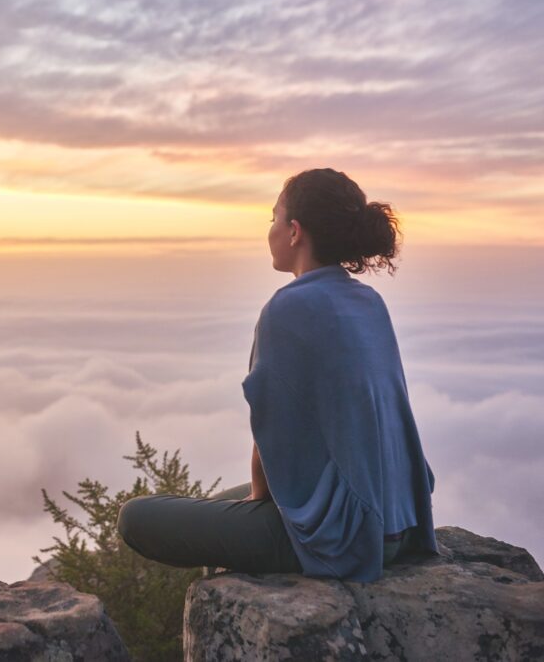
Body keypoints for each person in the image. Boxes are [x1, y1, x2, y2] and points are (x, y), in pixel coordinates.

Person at [115, 168, 440, 583]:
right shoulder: (367, 301)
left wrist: (258, 504)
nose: (269, 230)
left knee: (137, 517)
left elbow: (273, 436)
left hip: (349, 538)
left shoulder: (288, 308)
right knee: (215, 504)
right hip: (400, 520)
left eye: (273, 218)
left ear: (294, 232)